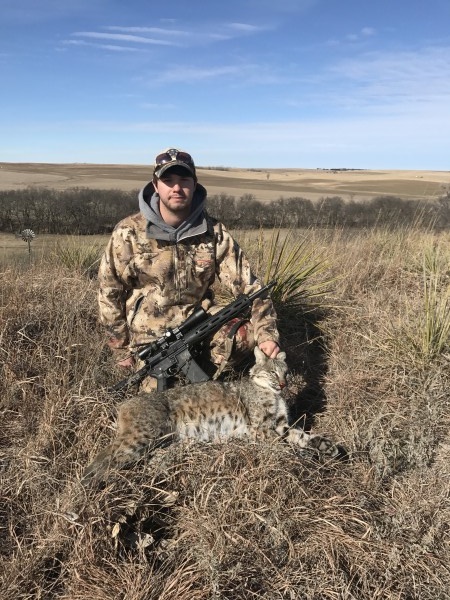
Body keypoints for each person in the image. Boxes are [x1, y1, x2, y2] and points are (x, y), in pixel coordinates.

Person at [98, 148, 280, 391]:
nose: (176, 188)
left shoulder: (214, 232)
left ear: (194, 185)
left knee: (243, 336)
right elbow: (109, 291)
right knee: (156, 397)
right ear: (155, 185)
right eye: (168, 180)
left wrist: (267, 336)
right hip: (149, 337)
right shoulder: (128, 232)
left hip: (197, 324)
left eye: (184, 180)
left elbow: (252, 288)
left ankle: (210, 374)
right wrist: (120, 348)